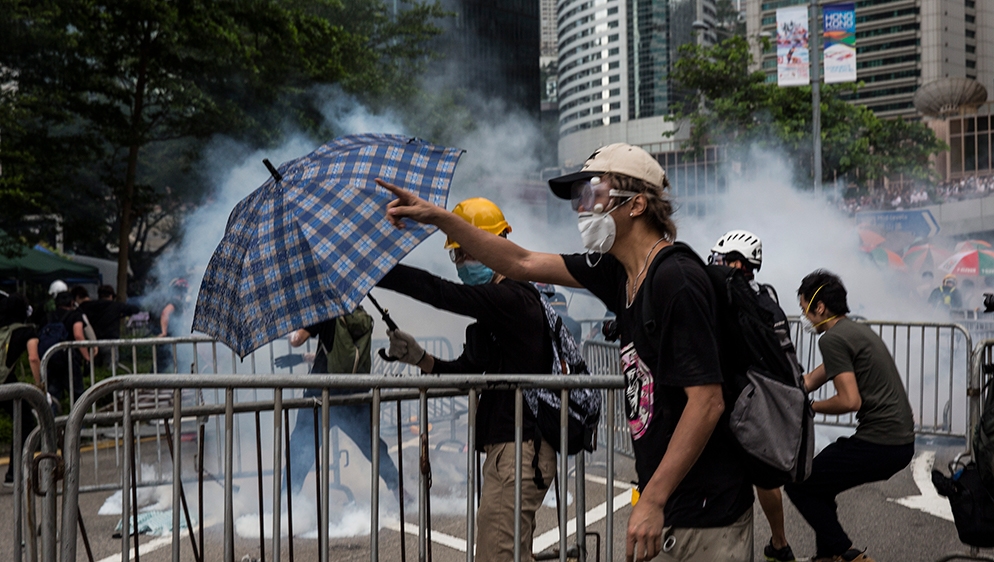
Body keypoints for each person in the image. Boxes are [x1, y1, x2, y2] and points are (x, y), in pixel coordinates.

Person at [378, 142, 754, 562]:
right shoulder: (616, 273)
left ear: (637, 205)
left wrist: (653, 499)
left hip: (706, 509)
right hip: (668, 503)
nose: (581, 208)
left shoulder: (676, 279)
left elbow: (706, 403)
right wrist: (437, 217)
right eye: (578, 198)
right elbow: (520, 260)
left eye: (593, 195)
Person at [377, 197, 557, 562]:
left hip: (520, 449)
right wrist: (419, 357)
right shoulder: (497, 314)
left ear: (494, 244)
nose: (460, 264)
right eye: (456, 256)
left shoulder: (512, 298)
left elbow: (441, 292)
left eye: (466, 253)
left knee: (495, 555)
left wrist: (378, 270)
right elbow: (468, 372)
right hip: (507, 448)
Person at [786, 270, 914, 562]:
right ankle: (827, 555)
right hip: (897, 442)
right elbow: (810, 380)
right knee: (820, 484)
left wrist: (810, 407)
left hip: (881, 443)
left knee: (799, 485)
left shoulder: (831, 339)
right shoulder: (854, 330)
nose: (806, 317)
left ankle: (846, 554)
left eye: (805, 309)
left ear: (820, 307)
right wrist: (788, 390)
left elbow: (850, 400)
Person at [708, 229, 796, 562]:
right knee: (763, 475)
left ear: (738, 262)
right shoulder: (766, 297)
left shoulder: (732, 296)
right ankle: (779, 542)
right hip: (766, 398)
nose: (715, 264)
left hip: (739, 398)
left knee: (735, 474)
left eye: (720, 259)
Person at [282, 307, 404, 500]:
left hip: (323, 391)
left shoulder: (323, 310)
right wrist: (305, 358)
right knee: (370, 443)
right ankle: (398, 489)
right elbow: (341, 353)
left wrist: (289, 329)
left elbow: (297, 340)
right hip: (354, 389)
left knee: (300, 448)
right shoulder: (357, 313)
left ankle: (287, 503)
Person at [0, 293, 42, 486]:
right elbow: (33, 358)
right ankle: (14, 474)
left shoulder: (2, 329)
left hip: (7, 381)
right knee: (25, 424)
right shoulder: (28, 331)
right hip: (6, 384)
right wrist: (40, 385)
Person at [45, 291, 91, 412]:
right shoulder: (75, 315)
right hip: (70, 360)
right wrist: (87, 358)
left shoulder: (49, 316)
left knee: (53, 395)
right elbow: (78, 335)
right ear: (72, 302)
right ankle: (78, 427)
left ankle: (49, 426)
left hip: (51, 359)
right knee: (78, 396)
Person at [156, 278, 188, 372]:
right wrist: (164, 332)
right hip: (170, 340)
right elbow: (165, 313)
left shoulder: (176, 302)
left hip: (172, 341)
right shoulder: (175, 302)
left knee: (159, 370)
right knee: (158, 370)